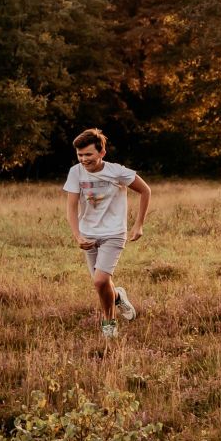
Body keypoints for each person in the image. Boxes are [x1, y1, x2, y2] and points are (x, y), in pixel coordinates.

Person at [62, 129, 152, 339]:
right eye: (80, 155)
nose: (84, 159)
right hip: (88, 234)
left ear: (102, 151)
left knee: (100, 281)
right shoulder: (75, 172)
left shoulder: (117, 172)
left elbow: (145, 191)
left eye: (88, 154)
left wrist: (139, 225)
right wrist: (78, 236)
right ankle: (118, 295)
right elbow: (71, 208)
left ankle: (108, 323)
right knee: (102, 284)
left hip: (114, 232)